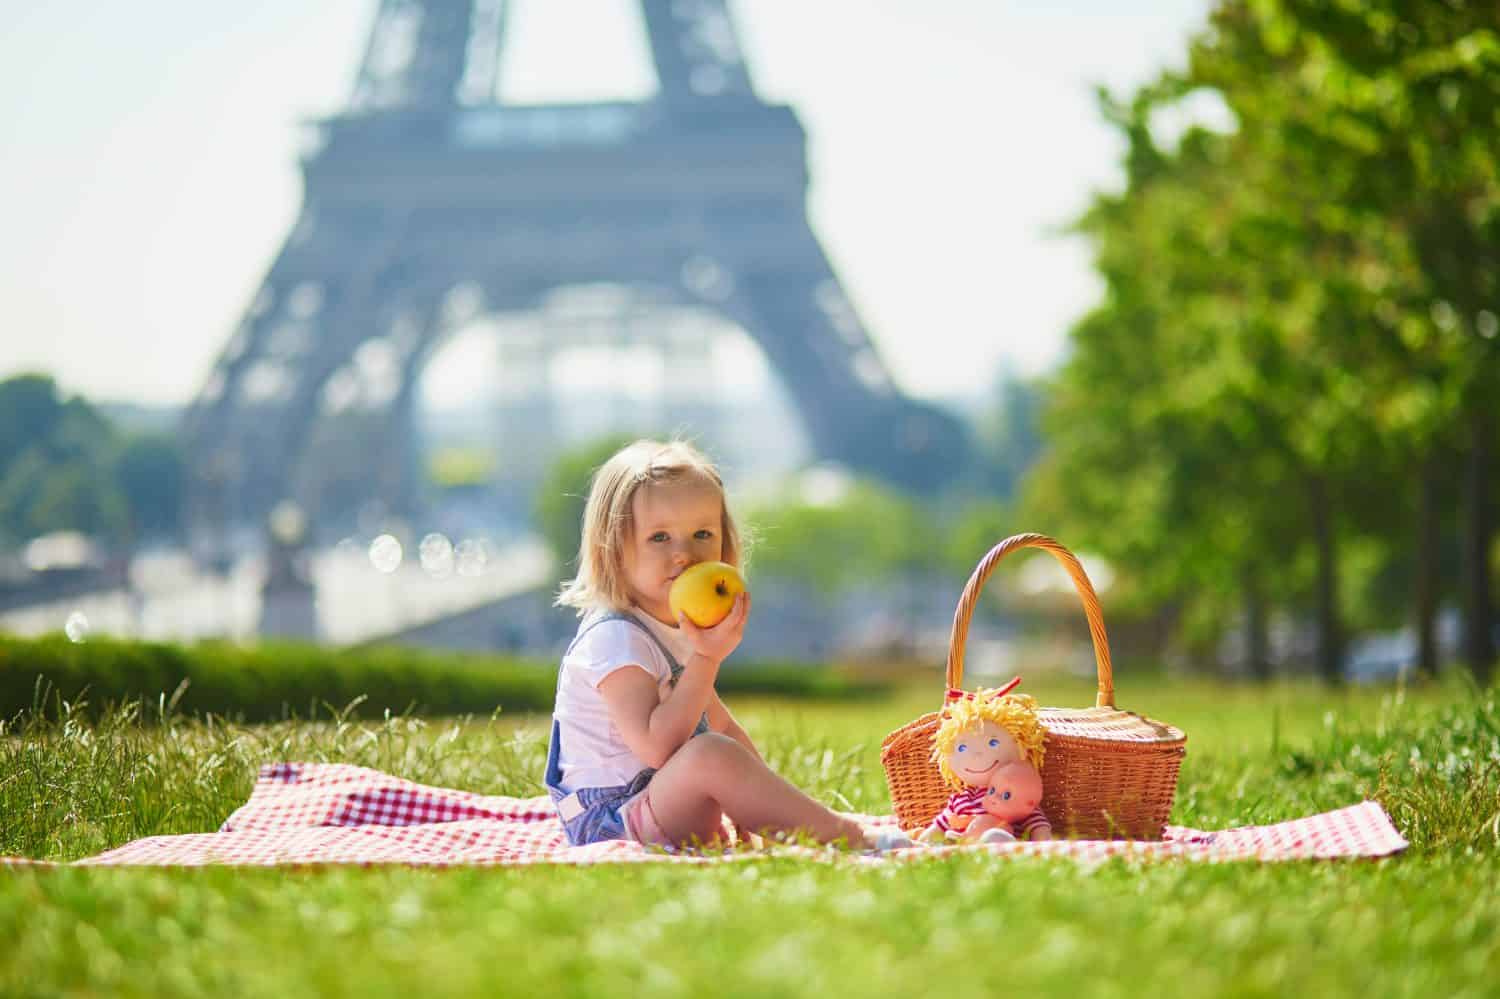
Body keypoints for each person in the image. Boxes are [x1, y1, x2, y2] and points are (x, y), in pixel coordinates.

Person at [546, 438, 910, 852]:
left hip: (659, 804)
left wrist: (759, 802)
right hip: (612, 821)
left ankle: (819, 830)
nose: (685, 553)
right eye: (660, 537)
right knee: (709, 755)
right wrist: (706, 658)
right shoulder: (616, 638)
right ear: (612, 548)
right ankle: (852, 839)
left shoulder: (671, 627)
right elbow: (656, 747)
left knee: (717, 747)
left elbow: (719, 726)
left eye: (702, 533)